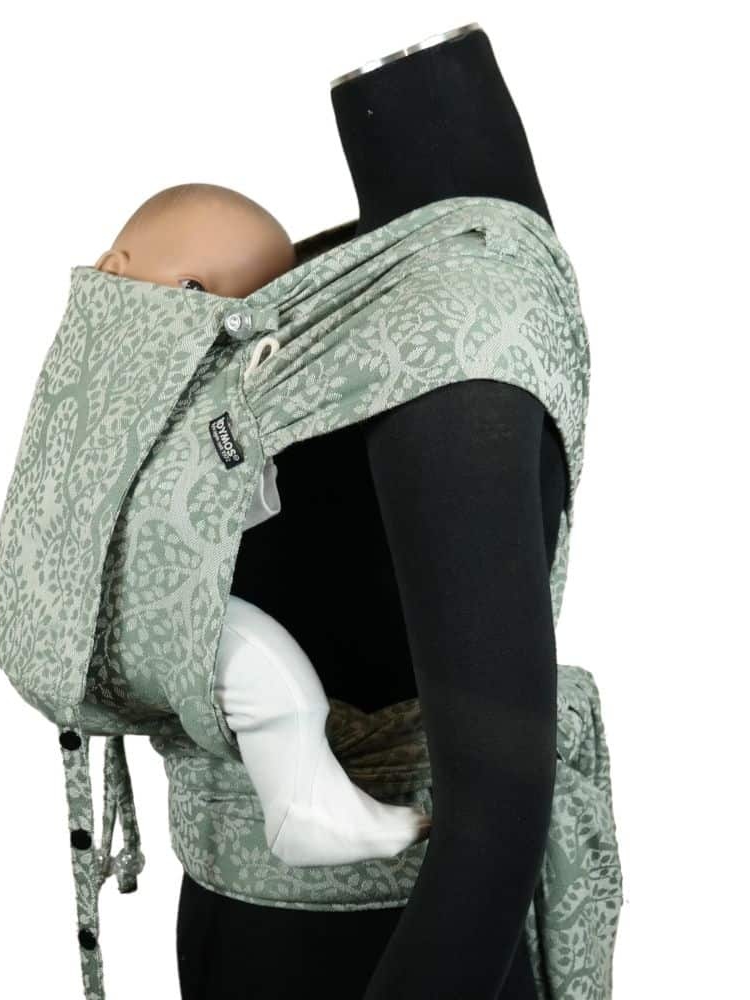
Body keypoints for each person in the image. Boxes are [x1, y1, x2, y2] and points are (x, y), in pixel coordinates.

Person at [176, 23, 563, 1000]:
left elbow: (496, 813)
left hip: (377, 955)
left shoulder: (455, 318)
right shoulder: (363, 293)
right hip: (252, 925)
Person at [94, 182, 431, 867]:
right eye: (195, 289)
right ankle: (303, 812)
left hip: (128, 603)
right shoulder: (116, 366)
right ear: (112, 273)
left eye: (247, 311)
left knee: (266, 669)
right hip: (116, 609)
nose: (221, 322)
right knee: (271, 680)